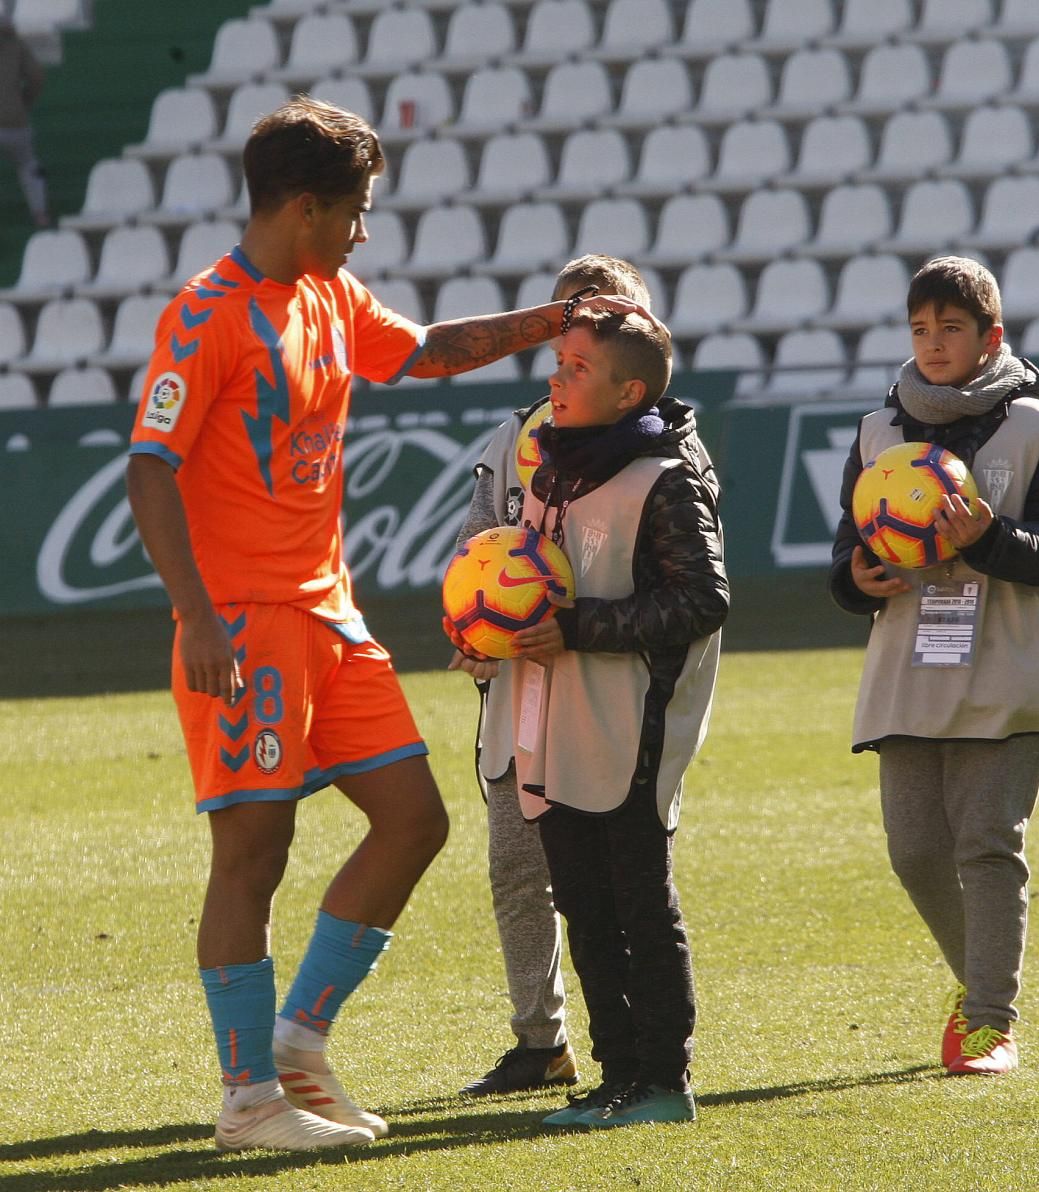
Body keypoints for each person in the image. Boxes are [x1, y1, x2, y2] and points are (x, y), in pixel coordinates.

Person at [124, 96, 644, 1153]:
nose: (364, 230)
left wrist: (555, 320)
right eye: (355, 211)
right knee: (254, 849)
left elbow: (428, 349)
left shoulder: (328, 292)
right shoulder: (206, 314)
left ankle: (299, 1046)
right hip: (246, 622)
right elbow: (149, 467)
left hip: (329, 611)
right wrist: (197, 614)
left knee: (413, 818)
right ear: (305, 207)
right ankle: (248, 1099)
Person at [450, 305, 727, 1128]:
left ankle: (664, 1082)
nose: (554, 378)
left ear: (626, 391)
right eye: (558, 362)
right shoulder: (547, 473)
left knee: (640, 903)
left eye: (575, 367)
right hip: (548, 726)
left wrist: (574, 630)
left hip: (629, 729)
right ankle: (613, 1079)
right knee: (582, 903)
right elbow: (524, 580)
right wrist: (488, 631)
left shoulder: (666, 477)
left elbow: (701, 601)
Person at [828, 256, 1039, 1076]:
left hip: (1011, 663)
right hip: (910, 667)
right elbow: (845, 558)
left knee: (986, 841)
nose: (934, 343)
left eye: (951, 328)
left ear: (991, 337)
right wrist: (858, 577)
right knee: (914, 851)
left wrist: (987, 539)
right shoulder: (878, 431)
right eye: (920, 329)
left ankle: (990, 1021)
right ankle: (978, 983)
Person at [451, 255, 660, 1099]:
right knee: (516, 865)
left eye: (606, 315)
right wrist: (470, 628)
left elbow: (689, 589)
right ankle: (541, 1039)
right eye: (575, 315)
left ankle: (644, 1051)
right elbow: (475, 548)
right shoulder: (515, 436)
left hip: (611, 694)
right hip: (518, 692)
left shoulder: (664, 448)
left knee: (620, 882)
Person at [0, 18, 51, 227]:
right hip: (15, 120)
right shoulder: (16, 44)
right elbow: (37, 76)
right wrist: (24, 102)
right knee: (30, 166)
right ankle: (40, 213)